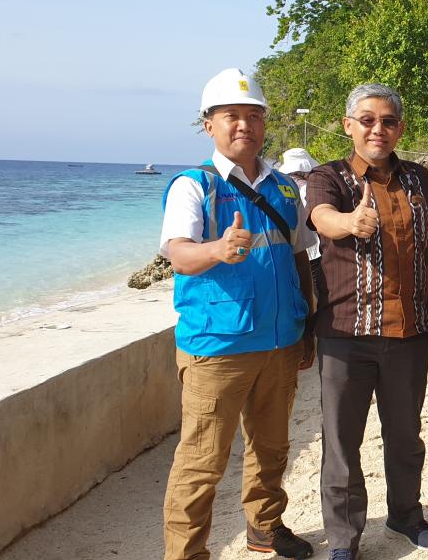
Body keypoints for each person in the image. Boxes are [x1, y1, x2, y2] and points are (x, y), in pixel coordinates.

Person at [159, 67, 316, 560]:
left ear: (265, 123)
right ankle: (186, 554)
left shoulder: (285, 190)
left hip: (279, 344)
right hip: (217, 349)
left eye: (253, 116)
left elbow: (298, 257)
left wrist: (306, 326)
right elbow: (179, 255)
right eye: (231, 116)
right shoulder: (193, 186)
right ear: (209, 124)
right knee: (201, 463)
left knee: (271, 451)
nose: (243, 125)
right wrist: (217, 250)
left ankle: (265, 529)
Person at [306, 83, 428, 560]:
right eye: (366, 120)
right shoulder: (330, 178)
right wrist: (349, 223)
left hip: (408, 333)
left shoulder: (418, 178)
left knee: (406, 435)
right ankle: (344, 538)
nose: (377, 129)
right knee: (342, 442)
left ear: (399, 129)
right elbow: (322, 218)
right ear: (349, 126)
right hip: (346, 335)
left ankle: (406, 514)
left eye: (387, 121)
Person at [280, 147, 323, 289]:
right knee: (318, 290)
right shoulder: (308, 188)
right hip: (314, 250)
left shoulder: (281, 190)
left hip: (292, 252)